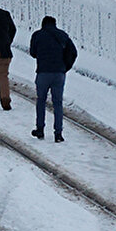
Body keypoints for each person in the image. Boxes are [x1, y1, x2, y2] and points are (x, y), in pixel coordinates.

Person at [29, 14, 78, 142]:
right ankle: (58, 133)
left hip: (43, 73)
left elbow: (33, 53)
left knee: (41, 101)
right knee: (58, 103)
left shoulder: (37, 35)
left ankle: (40, 129)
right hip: (59, 74)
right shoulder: (63, 35)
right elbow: (73, 52)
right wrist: (65, 67)